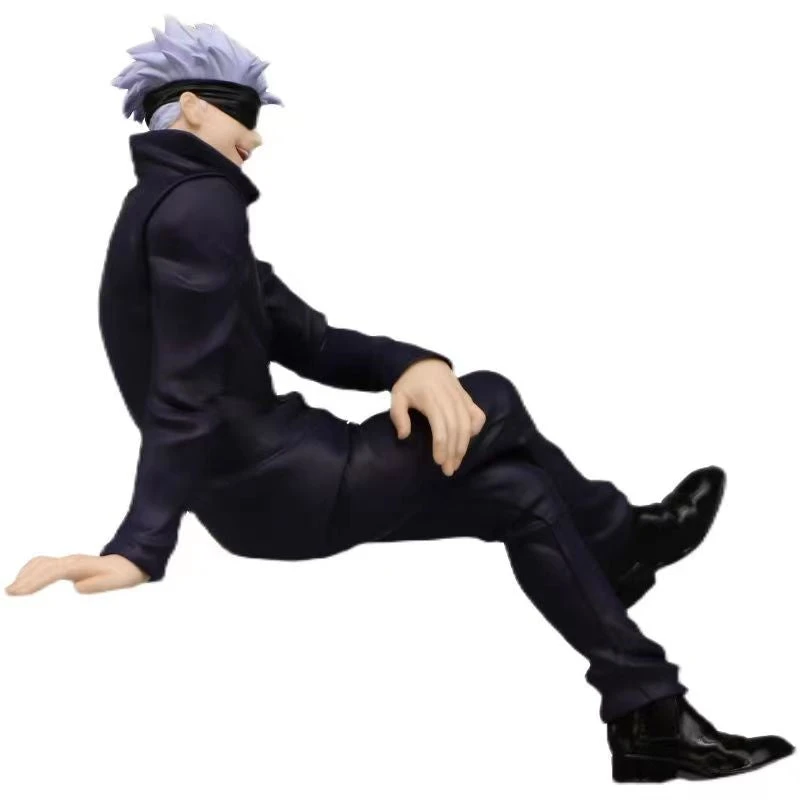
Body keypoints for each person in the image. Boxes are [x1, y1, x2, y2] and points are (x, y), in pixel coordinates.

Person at [6, 15, 793, 783]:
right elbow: (184, 397)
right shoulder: (197, 207)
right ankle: (622, 542)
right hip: (286, 483)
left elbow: (308, 339)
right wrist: (141, 546)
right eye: (242, 114)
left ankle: (650, 719)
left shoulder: (169, 209)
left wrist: (412, 365)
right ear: (194, 110)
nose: (258, 137)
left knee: (522, 495)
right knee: (493, 400)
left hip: (264, 495)